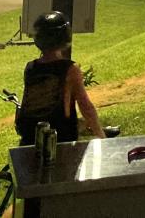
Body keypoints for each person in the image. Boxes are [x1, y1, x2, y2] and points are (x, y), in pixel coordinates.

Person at [16, 12, 105, 144]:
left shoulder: (30, 68)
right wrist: (101, 135)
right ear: (65, 36)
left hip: (30, 137)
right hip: (59, 138)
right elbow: (85, 106)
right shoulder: (70, 69)